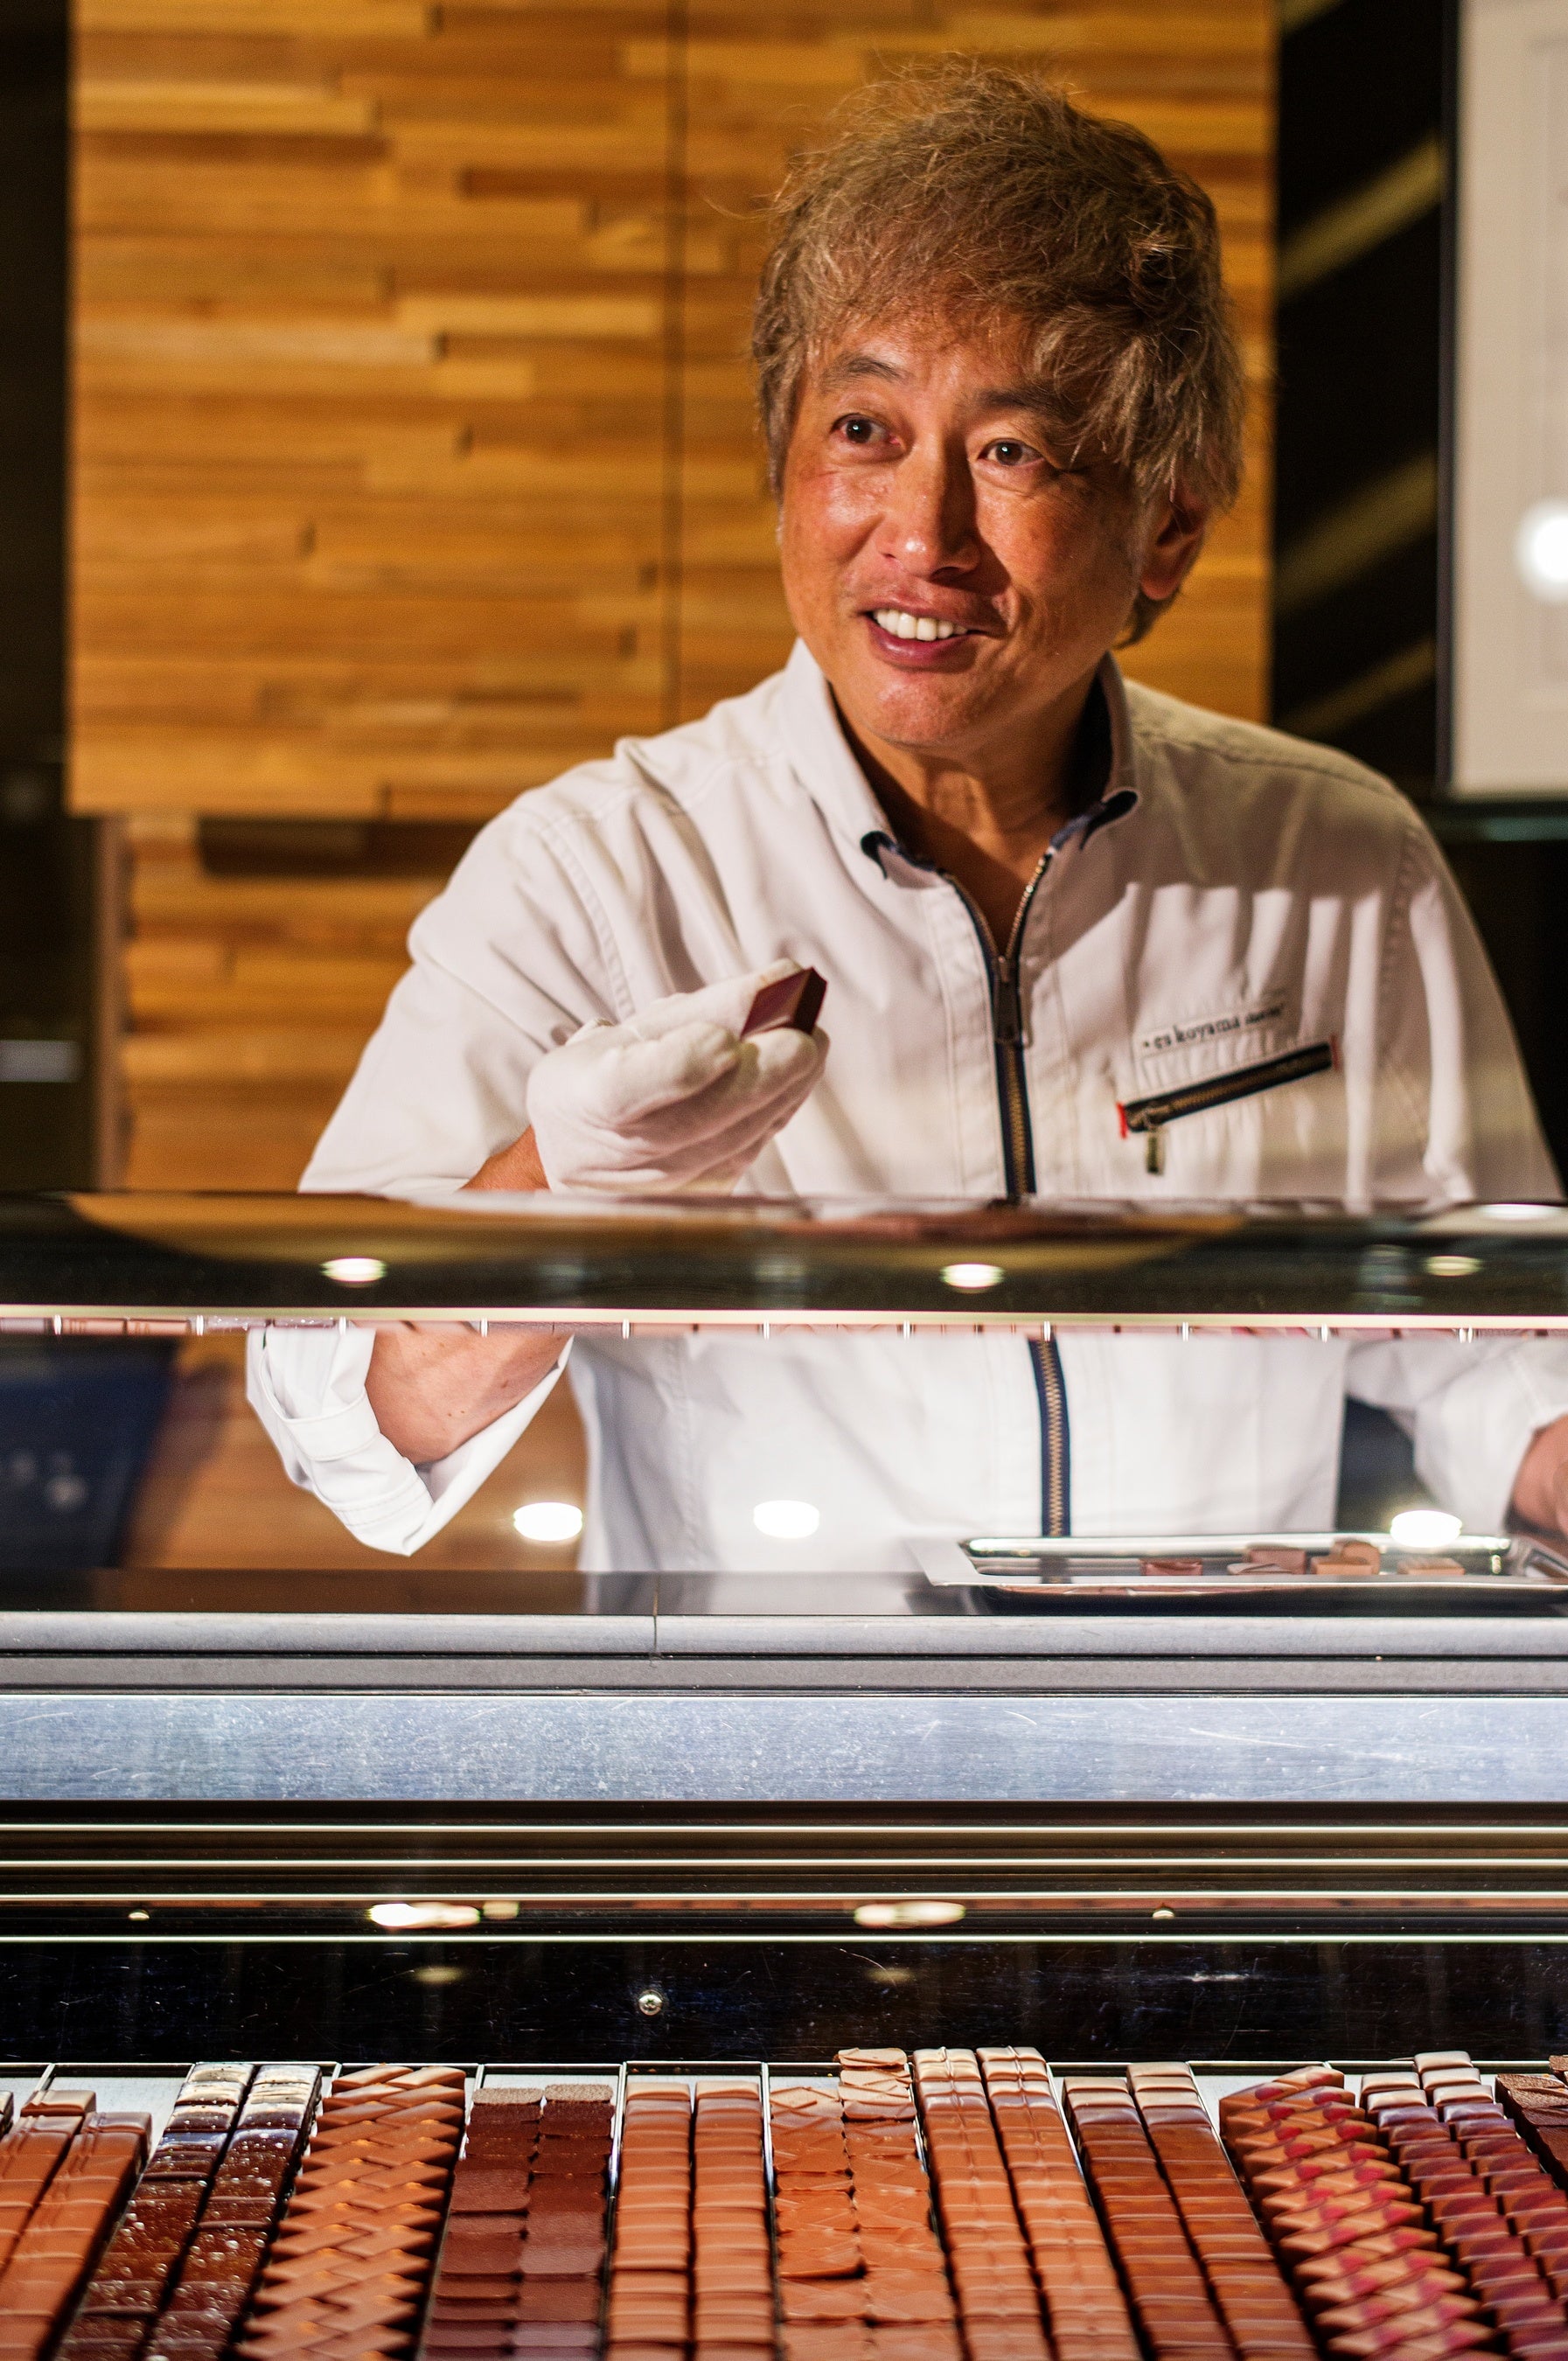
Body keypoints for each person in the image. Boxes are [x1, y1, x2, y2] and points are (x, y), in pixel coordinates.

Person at [248, 64, 1568, 1568]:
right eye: (863, 430)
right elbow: (343, 1419)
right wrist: (558, 1197)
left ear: (1169, 524)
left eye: (1012, 451)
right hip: (770, 1722)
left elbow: (1497, 1356)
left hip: (1198, 1712)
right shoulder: (595, 870)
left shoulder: (1332, 859)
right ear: (782, 466)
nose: (921, 535)